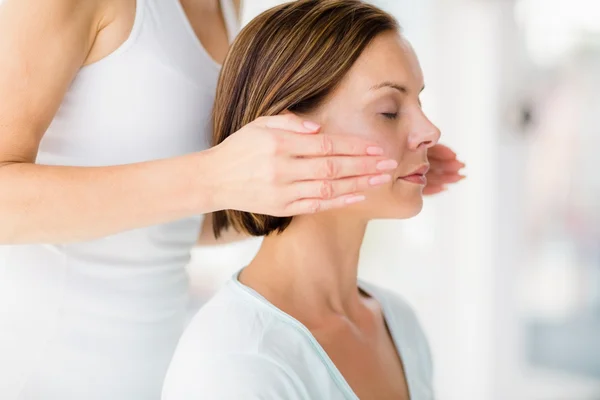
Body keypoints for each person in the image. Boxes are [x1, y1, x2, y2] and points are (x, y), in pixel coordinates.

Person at [0, 0, 463, 398]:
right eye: (388, 111)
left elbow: (173, 222)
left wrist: (344, 177)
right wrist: (215, 176)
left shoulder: (227, 7)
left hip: (158, 356)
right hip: (51, 368)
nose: (428, 129)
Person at [162, 1, 441, 399]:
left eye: (420, 103)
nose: (430, 131)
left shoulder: (399, 324)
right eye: (390, 111)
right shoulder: (239, 362)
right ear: (289, 133)